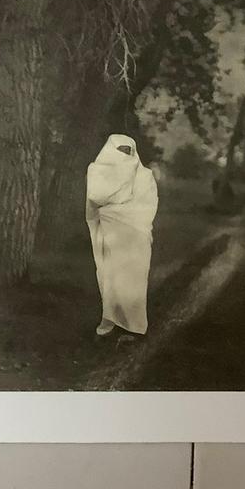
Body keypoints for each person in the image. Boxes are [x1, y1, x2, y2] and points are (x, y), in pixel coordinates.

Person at [85, 134, 158, 337]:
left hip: (137, 235)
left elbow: (148, 206)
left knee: (134, 279)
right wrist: (116, 207)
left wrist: (115, 209)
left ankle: (134, 326)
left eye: (129, 151)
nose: (125, 155)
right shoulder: (97, 170)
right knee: (111, 277)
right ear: (110, 150)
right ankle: (112, 320)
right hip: (111, 235)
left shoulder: (144, 176)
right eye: (121, 150)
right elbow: (95, 196)